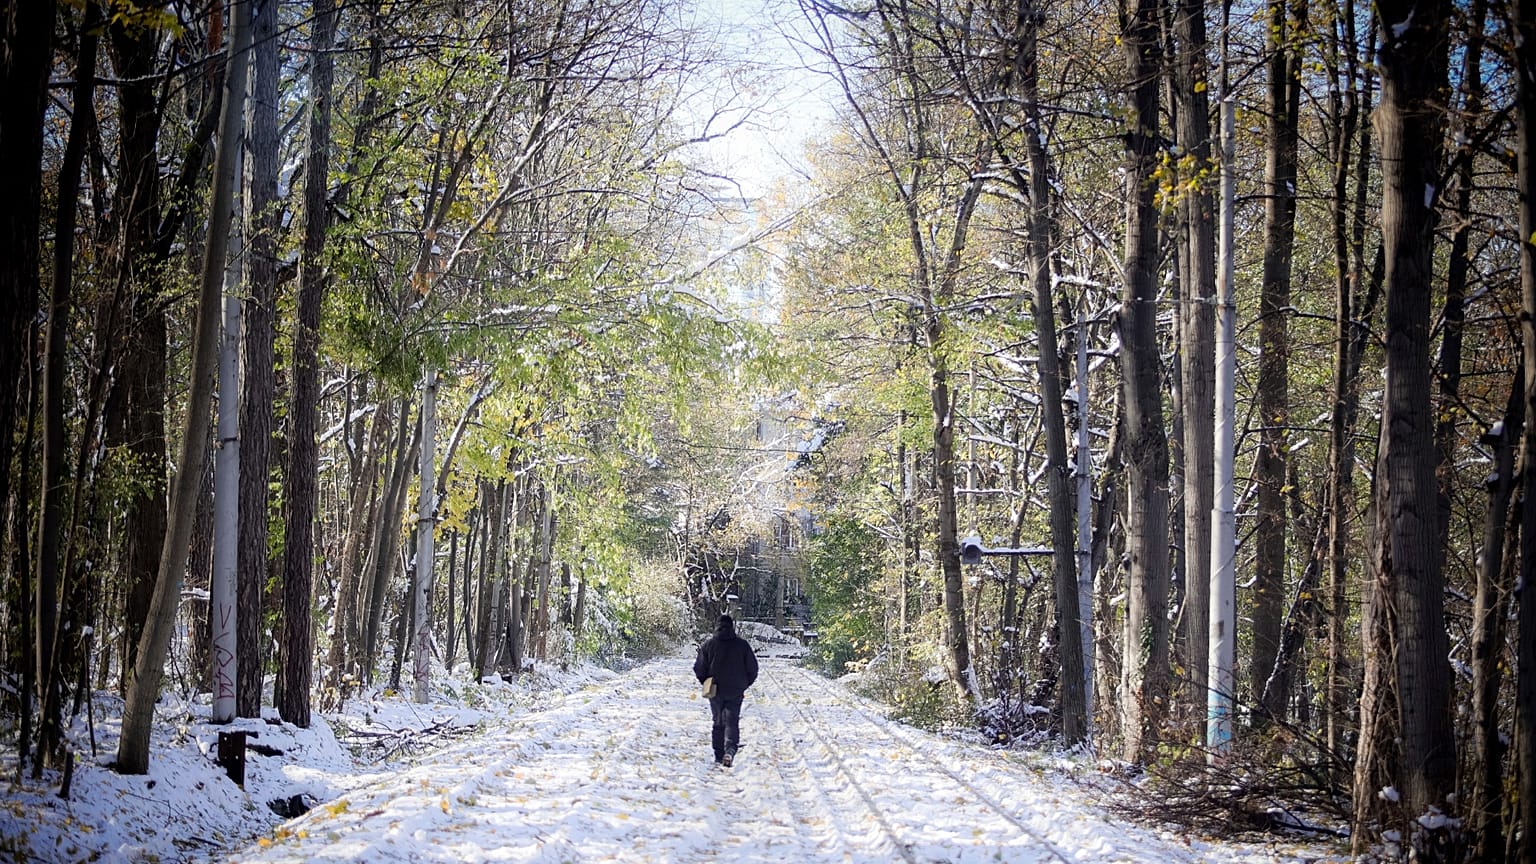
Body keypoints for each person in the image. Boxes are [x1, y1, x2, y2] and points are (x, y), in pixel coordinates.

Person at [693, 614, 758, 767]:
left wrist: (706, 682)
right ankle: (730, 750)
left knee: (718, 720)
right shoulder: (742, 645)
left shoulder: (708, 645)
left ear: (717, 627)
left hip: (715, 689)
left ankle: (718, 754)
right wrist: (744, 684)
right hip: (736, 689)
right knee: (732, 720)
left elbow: (699, 668)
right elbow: (753, 669)